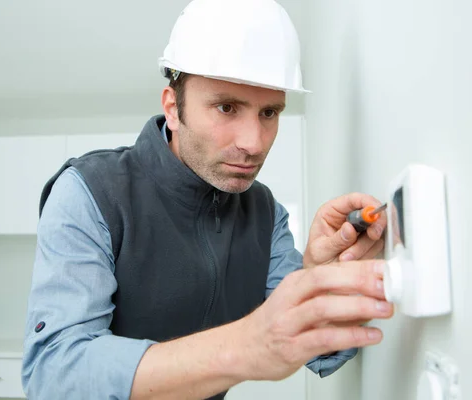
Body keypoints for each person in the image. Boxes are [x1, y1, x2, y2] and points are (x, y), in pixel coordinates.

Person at [21, 0, 393, 399]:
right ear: (173, 107)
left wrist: (324, 285)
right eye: (227, 107)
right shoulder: (90, 192)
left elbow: (320, 349)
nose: (253, 144)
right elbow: (54, 373)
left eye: (269, 113)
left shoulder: (267, 215)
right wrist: (244, 346)